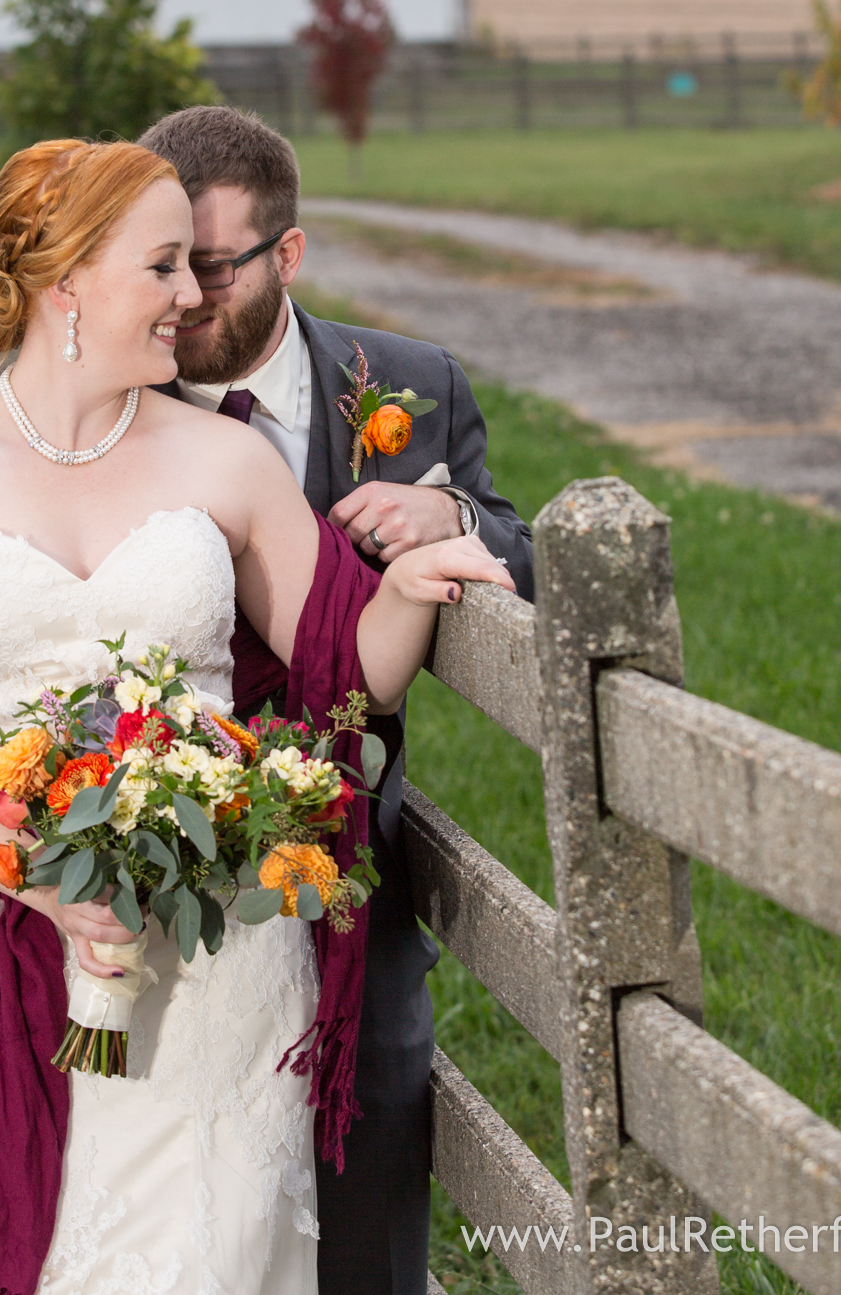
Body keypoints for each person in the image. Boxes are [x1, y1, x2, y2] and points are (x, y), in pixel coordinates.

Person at [0, 138, 512, 1295]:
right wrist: (35, 873)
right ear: (67, 284)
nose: (191, 296)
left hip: (220, 963)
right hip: (2, 938)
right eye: (162, 266)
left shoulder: (227, 458)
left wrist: (408, 583)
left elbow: (348, 671)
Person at [138, 106, 534, 1295]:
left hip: (352, 865)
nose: (184, 298)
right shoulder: (118, 390)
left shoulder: (406, 384)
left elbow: (526, 544)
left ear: (289, 255)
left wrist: (454, 519)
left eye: (213, 266)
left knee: (370, 1153)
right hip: (145, 861)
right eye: (163, 264)